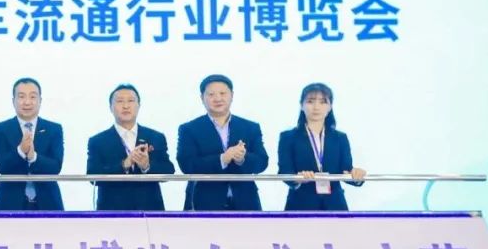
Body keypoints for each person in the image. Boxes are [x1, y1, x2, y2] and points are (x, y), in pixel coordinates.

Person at [177, 74, 268, 211]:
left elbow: (262, 161)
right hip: (204, 203)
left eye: (223, 93)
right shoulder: (189, 129)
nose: (218, 98)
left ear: (232, 95)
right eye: (211, 94)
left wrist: (242, 159)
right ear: (202, 98)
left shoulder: (250, 127)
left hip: (246, 203)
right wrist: (222, 159)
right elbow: (187, 165)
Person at [277, 82, 366, 211]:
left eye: (323, 102)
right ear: (301, 105)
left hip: (335, 206)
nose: (316, 107)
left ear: (330, 107)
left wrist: (356, 176)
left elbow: (346, 170)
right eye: (310, 101)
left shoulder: (340, 138)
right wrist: (298, 178)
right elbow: (284, 171)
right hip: (300, 205)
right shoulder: (288, 137)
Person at [86, 84, 175, 211]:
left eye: (131, 101)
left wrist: (146, 166)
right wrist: (124, 164)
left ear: (139, 106)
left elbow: (168, 170)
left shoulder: (155, 137)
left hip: (149, 209)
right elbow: (93, 176)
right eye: (120, 101)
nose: (126, 106)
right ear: (111, 107)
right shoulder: (97, 141)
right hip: (111, 211)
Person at [0, 78, 64, 211]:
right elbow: (0, 165)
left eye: (33, 96)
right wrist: (20, 151)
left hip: (47, 202)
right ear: (13, 101)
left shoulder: (54, 129)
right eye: (21, 96)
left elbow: (56, 166)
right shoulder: (1, 129)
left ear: (40, 100)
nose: (27, 102)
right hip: (9, 202)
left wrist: (33, 157)